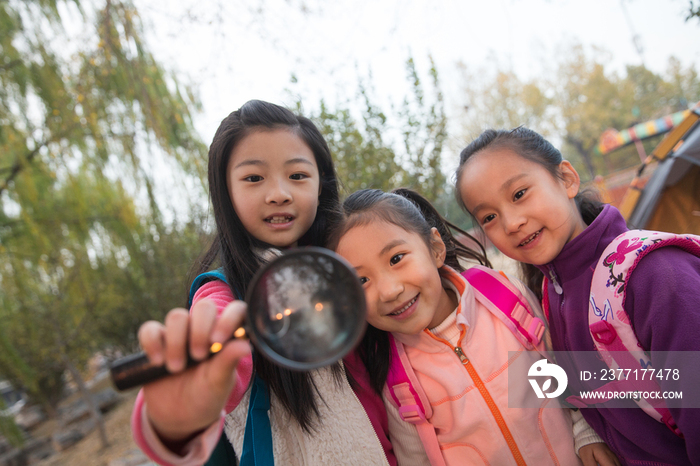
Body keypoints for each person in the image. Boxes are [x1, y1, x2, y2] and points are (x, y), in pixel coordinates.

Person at [131, 100, 397, 465]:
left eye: (298, 176)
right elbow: (215, 352)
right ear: (226, 193)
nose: (279, 193)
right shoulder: (224, 296)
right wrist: (181, 413)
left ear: (322, 184)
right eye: (254, 178)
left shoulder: (347, 268)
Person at [455, 127, 700, 466]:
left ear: (567, 179)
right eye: (489, 217)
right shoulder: (550, 293)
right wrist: (589, 431)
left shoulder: (655, 275)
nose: (511, 223)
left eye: (519, 193)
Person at [329, 187, 618, 466]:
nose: (389, 291)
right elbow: (416, 459)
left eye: (396, 259)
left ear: (435, 248)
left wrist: (585, 432)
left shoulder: (503, 298)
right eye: (361, 281)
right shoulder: (396, 377)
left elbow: (557, 367)